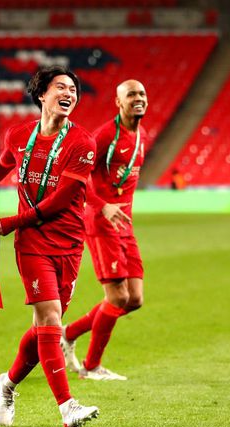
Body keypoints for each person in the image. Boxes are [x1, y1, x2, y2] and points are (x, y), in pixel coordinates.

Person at [0, 66, 99, 427]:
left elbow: (56, 203)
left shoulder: (81, 144)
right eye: (61, 87)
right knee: (51, 319)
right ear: (41, 95)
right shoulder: (19, 135)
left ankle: (7, 382)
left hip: (68, 243)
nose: (69, 93)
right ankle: (67, 407)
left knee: (42, 330)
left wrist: (4, 224)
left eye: (73, 89)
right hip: (33, 244)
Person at [60, 79, 147, 381]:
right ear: (118, 102)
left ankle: (68, 333)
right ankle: (91, 366)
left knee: (134, 299)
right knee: (117, 297)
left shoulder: (140, 135)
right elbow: (76, 177)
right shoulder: (105, 135)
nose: (138, 98)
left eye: (142, 94)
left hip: (126, 226)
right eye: (131, 94)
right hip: (101, 223)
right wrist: (103, 206)